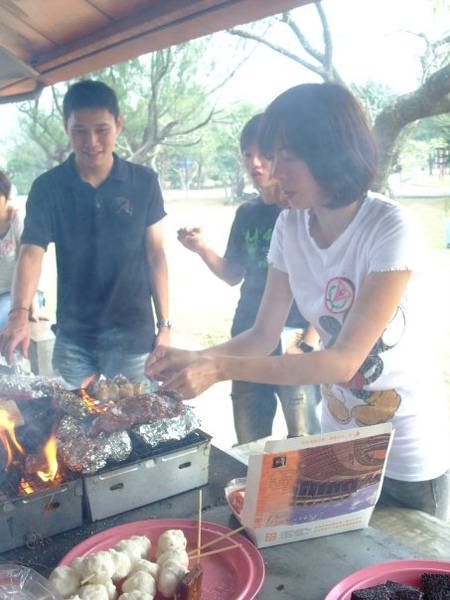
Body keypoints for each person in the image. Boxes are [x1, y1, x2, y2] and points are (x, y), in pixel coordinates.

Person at [146, 83, 450, 520]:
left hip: (406, 452)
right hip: (338, 445)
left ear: (333, 152)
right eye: (273, 156)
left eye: (289, 155)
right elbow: (262, 334)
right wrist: (196, 357)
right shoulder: (289, 227)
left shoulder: (389, 228)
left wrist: (220, 368)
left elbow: (343, 362)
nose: (274, 170)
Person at [0, 80, 170, 387]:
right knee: (71, 424)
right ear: (67, 126)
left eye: (101, 129)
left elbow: (155, 255)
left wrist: (165, 326)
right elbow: (31, 252)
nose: (91, 141)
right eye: (79, 130)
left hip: (133, 334)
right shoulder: (48, 187)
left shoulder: (143, 182)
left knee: (139, 421)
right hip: (73, 335)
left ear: (118, 124)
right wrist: (18, 315)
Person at [177, 115, 320, 443]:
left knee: (303, 439)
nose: (254, 163)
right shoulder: (247, 213)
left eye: (264, 155)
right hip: (249, 332)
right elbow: (233, 274)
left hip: (296, 334)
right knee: (249, 440)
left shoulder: (302, 214)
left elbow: (323, 282)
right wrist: (200, 247)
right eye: (246, 155)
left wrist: (309, 342)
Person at [0, 170, 43, 332]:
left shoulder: (17, 220)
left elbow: (27, 261)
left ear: (6, 194)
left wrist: (32, 308)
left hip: (12, 295)